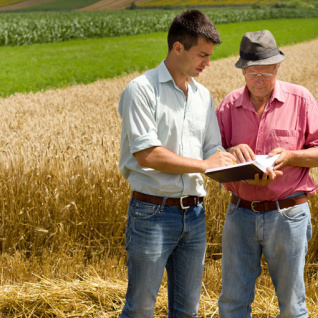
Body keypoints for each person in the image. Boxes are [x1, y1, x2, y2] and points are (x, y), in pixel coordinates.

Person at [117, 9, 236, 317]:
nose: (207, 63)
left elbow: (212, 148)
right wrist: (205, 165)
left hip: (195, 215)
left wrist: (238, 163)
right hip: (152, 214)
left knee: (187, 312)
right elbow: (148, 155)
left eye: (209, 56)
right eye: (202, 55)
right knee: (140, 309)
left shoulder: (203, 96)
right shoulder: (141, 90)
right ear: (177, 48)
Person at [215, 30, 318, 317]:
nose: (259, 80)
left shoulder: (301, 99)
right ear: (243, 70)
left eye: (266, 74)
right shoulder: (229, 104)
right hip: (240, 214)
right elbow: (211, 152)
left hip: (288, 214)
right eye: (252, 73)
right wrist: (232, 152)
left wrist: (291, 155)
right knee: (232, 303)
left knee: (292, 307)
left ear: (278, 68)